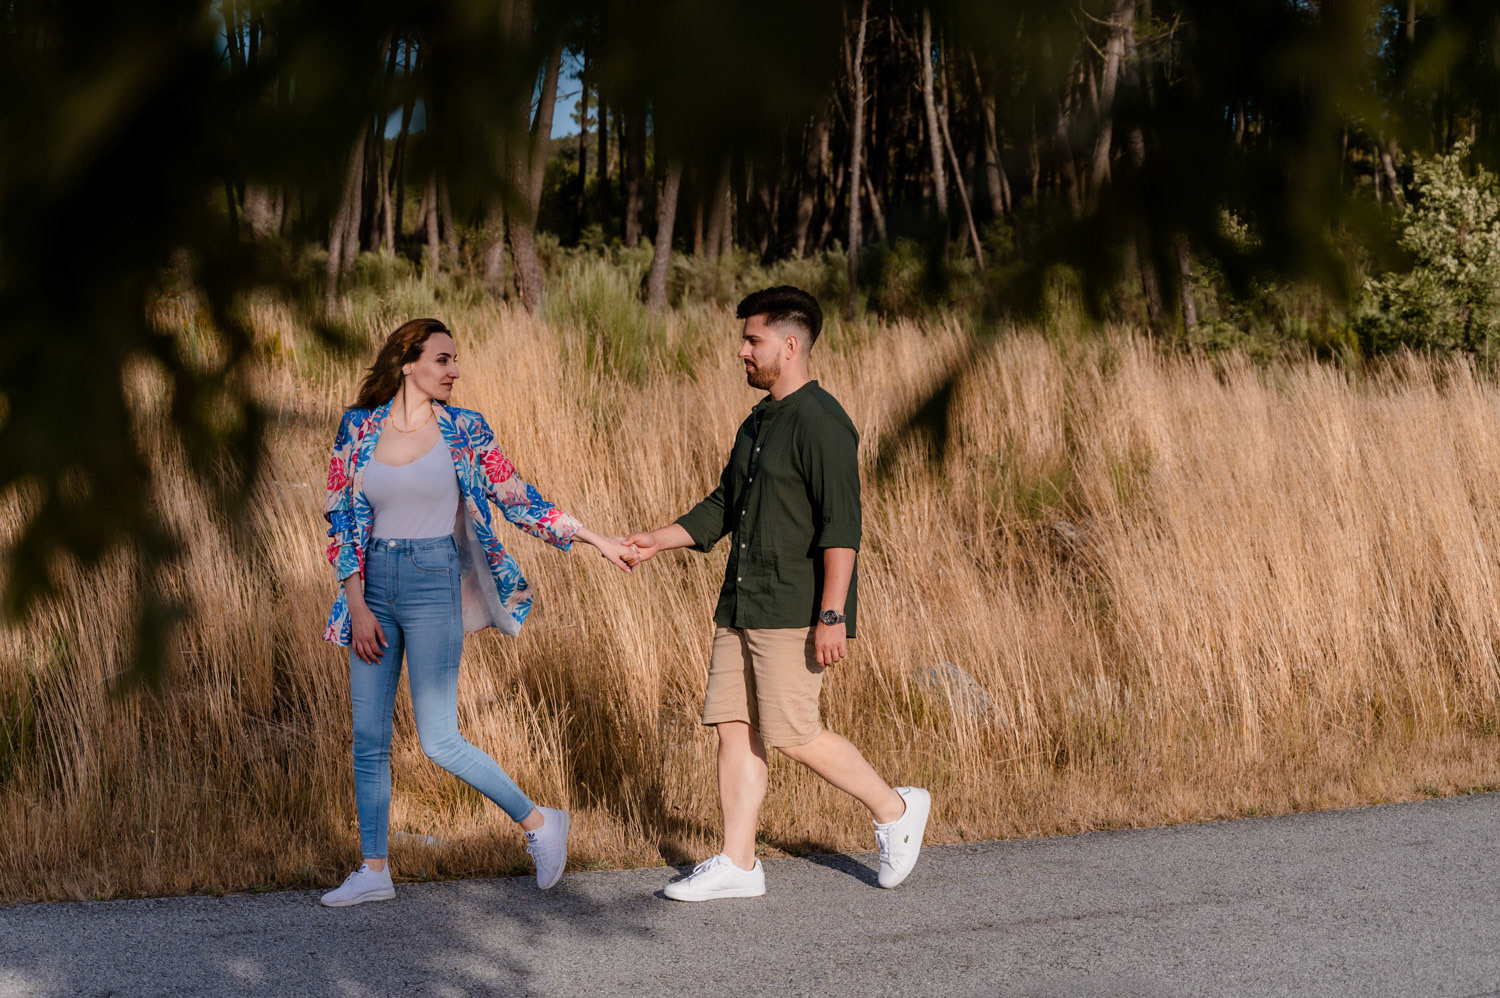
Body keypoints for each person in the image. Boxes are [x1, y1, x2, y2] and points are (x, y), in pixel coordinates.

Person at [318, 317, 638, 907]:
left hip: (433, 581)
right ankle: (373, 870)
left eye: (455, 359)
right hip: (373, 587)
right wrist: (356, 602)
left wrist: (597, 539)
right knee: (368, 738)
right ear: (407, 362)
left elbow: (519, 499)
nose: (454, 371)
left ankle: (540, 823)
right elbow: (340, 515)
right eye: (442, 359)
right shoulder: (358, 428)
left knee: (439, 740)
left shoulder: (465, 429)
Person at [627, 286, 930, 902]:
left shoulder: (822, 423)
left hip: (793, 606)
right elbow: (724, 505)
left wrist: (832, 614)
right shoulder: (758, 420)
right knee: (733, 727)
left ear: (790, 346)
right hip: (742, 600)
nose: (742, 351)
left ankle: (895, 809)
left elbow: (841, 528)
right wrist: (658, 540)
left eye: (753, 340)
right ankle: (739, 863)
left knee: (793, 734)